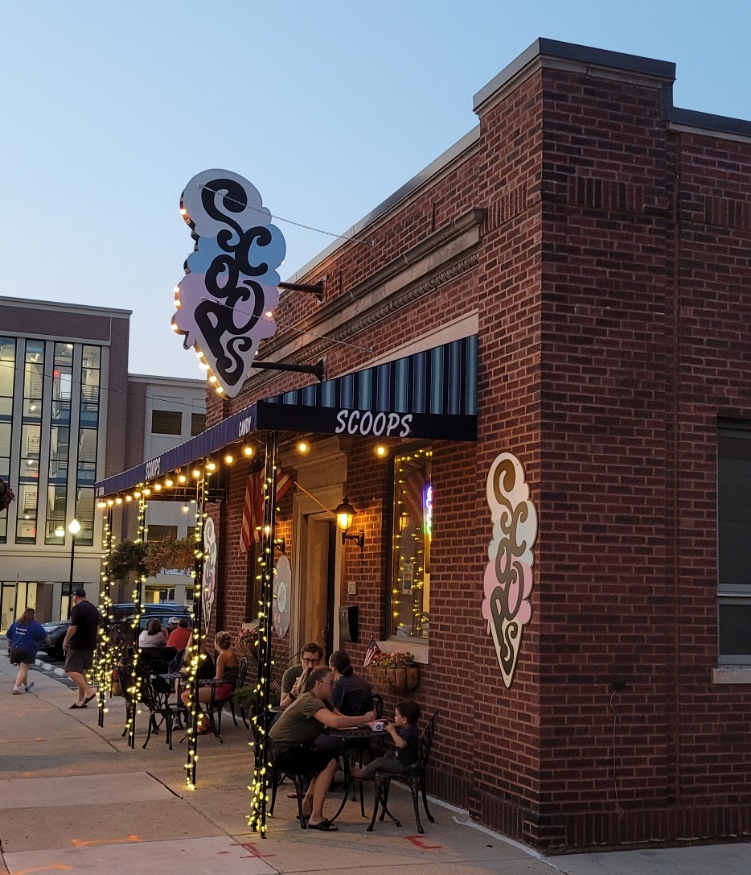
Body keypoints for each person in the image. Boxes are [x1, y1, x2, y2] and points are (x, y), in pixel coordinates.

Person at [269, 666, 376, 831]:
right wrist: (364, 717)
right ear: (318, 684)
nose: (334, 686)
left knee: (327, 757)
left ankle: (307, 807)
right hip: (280, 752)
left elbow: (339, 718)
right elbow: (334, 723)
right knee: (330, 763)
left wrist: (366, 723)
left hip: (283, 749)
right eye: (331, 683)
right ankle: (316, 817)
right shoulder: (309, 701)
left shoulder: (320, 700)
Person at [181, 631, 238, 733]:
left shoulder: (222, 657)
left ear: (216, 642)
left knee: (185, 695)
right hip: (229, 687)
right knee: (190, 693)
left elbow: (218, 679)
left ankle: (202, 724)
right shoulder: (230, 653)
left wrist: (207, 684)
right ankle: (205, 721)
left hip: (223, 689)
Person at [351, 700, 421, 780]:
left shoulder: (409, 732)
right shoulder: (411, 727)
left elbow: (401, 744)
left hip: (405, 765)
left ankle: (363, 773)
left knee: (379, 761)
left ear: (404, 720)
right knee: (388, 754)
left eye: (397, 716)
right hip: (408, 761)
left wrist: (392, 731)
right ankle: (372, 773)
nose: (394, 717)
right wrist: (393, 725)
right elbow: (400, 726)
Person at [62, 588, 100, 709]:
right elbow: (98, 627)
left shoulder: (77, 609)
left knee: (70, 669)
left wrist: (65, 640)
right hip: (90, 644)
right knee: (81, 671)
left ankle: (88, 691)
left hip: (78, 644)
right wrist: (95, 640)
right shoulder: (94, 608)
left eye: (73, 597)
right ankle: (80, 701)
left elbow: (73, 627)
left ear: (75, 597)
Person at [6, 607, 48, 694]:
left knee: (22, 669)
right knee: (23, 669)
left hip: (15, 649)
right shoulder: (35, 625)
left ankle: (26, 686)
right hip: (27, 650)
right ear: (33, 615)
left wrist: (9, 647)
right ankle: (16, 687)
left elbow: (9, 635)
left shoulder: (17, 623)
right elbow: (44, 636)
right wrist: (49, 641)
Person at [329, 650, 373, 715]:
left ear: (333, 668)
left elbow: (334, 711)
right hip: (368, 718)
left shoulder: (340, 684)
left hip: (353, 721)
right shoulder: (360, 679)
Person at [280, 642, 323, 708]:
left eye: (314, 661)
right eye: (307, 660)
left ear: (319, 661)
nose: (310, 665)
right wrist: (292, 694)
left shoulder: (323, 674)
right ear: (301, 659)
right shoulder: (291, 674)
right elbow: (282, 704)